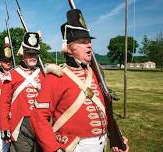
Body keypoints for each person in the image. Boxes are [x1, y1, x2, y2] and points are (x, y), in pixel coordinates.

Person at [30, 9, 129, 152]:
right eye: (83, 42)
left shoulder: (96, 74)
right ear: (69, 49)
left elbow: (107, 110)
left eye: (89, 41)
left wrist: (117, 137)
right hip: (74, 147)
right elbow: (38, 117)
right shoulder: (56, 76)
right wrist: (53, 149)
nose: (89, 45)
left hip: (101, 145)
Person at [0, 32, 45, 152]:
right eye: (29, 53)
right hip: (20, 124)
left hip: (42, 123)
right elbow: (4, 103)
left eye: (35, 54)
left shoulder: (43, 74)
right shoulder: (12, 75)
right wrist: (4, 127)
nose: (32, 56)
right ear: (22, 55)